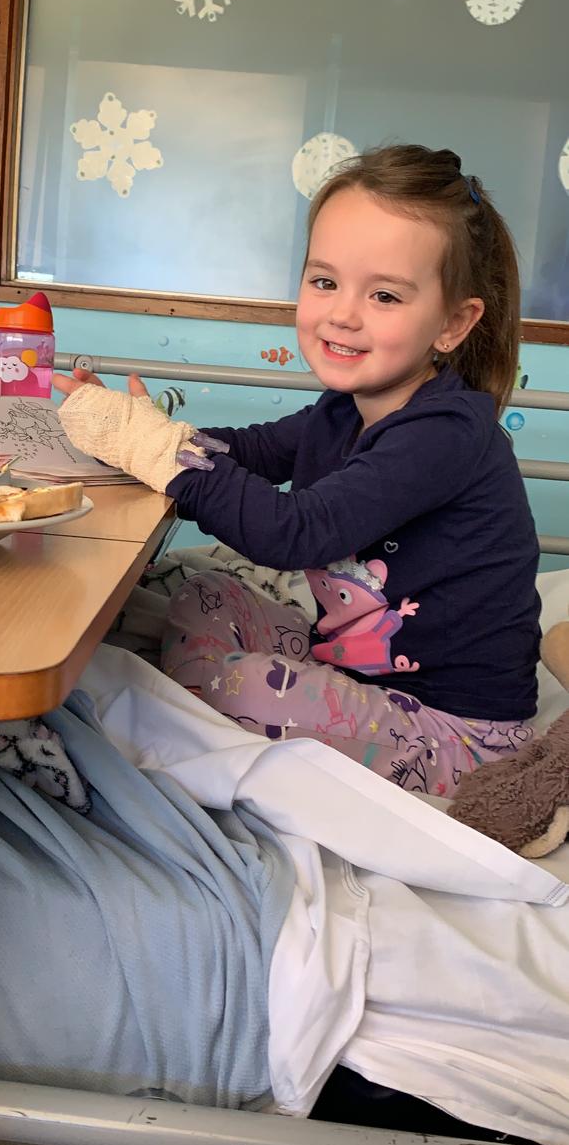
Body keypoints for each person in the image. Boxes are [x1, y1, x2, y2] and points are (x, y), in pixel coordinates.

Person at [55, 144, 540, 797]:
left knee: (239, 685)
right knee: (205, 594)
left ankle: (195, 724)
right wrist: (135, 436)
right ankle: (214, 701)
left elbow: (294, 533)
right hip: (361, 672)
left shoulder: (444, 434)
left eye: (385, 295)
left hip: (458, 732)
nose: (342, 313)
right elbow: (249, 451)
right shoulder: (343, 409)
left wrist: (159, 451)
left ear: (452, 324)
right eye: (324, 282)